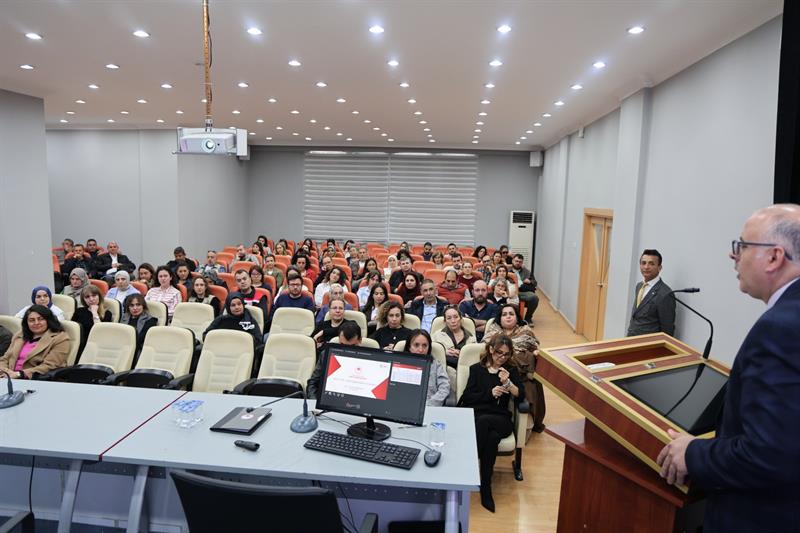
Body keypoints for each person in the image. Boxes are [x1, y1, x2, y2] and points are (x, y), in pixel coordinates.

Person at [656, 204, 800, 532]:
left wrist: (692, 453)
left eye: (742, 245)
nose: (733, 255)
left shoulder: (781, 328)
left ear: (774, 257)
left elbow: (770, 455)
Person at [458, 334, 524, 512]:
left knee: (487, 423)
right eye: (498, 353)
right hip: (478, 416)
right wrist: (490, 393)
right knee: (491, 438)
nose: (502, 357)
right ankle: (486, 486)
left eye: (506, 354)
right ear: (490, 349)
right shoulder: (476, 369)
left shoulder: (510, 370)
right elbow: (467, 397)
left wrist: (508, 383)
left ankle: (468, 467)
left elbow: (521, 395)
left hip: (500, 418)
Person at [484, 304, 545, 433]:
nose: (508, 317)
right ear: (500, 318)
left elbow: (535, 349)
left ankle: (528, 422)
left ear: (517, 317)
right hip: (496, 372)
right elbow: (486, 351)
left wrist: (532, 354)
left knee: (531, 383)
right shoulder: (492, 332)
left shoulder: (526, 332)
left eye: (511, 314)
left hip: (521, 376)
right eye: (504, 314)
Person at [0, 305, 70, 378]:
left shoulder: (60, 338)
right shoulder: (20, 335)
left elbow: (50, 366)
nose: (36, 323)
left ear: (48, 320)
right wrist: (5, 372)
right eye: (32, 320)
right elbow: (5, 359)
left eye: (40, 319)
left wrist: (19, 374)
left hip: (35, 379)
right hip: (9, 378)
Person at [203, 293, 264, 374]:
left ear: (243, 305)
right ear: (228, 307)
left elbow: (258, 341)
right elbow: (206, 336)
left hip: (242, 357)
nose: (237, 307)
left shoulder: (250, 321)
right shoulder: (221, 320)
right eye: (233, 305)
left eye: (239, 304)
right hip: (221, 355)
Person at [306, 320, 363, 399]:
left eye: (352, 346)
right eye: (343, 345)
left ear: (360, 340)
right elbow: (313, 383)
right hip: (330, 399)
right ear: (339, 339)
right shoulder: (326, 355)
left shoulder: (371, 359)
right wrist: (314, 401)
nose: (347, 350)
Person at [627, 249, 676, 336]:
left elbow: (667, 329)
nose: (646, 267)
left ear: (659, 268)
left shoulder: (665, 293)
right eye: (643, 263)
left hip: (648, 343)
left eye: (651, 263)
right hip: (631, 339)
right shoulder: (639, 286)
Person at [403, 329, 449, 406]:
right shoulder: (399, 364)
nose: (421, 350)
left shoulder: (436, 365)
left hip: (429, 406)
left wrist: (429, 404)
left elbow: (444, 388)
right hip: (404, 406)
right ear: (409, 347)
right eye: (416, 345)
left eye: (424, 345)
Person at [72, 285, 113, 353]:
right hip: (79, 344)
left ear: (99, 296)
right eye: (87, 297)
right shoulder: (79, 311)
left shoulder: (107, 314)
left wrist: (94, 312)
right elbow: (73, 330)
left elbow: (100, 332)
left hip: (97, 346)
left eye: (94, 296)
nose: (91, 299)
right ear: (83, 299)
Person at [121, 294, 157, 358]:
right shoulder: (124, 318)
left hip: (138, 352)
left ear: (143, 306)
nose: (135, 308)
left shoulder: (150, 321)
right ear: (128, 307)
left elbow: (139, 340)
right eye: (131, 305)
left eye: (138, 305)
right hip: (122, 349)